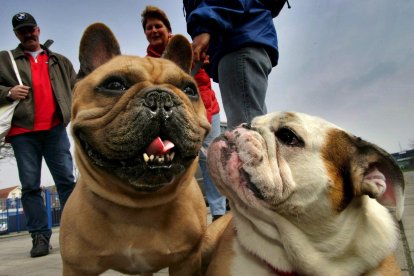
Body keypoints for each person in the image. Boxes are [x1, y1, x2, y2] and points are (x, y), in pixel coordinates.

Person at [0, 12, 76, 257]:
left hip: (55, 130)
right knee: (30, 186)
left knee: (66, 181)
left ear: (39, 29)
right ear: (16, 35)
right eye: (22, 31)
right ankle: (40, 237)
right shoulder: (5, 59)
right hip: (23, 133)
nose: (28, 33)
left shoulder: (59, 60)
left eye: (31, 29)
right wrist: (8, 92)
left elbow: (78, 87)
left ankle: (76, 232)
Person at [141, 6, 226, 221]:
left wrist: (203, 63)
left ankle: (219, 210)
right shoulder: (147, 63)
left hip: (205, 109)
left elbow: (204, 81)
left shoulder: (190, 49)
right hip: (173, 118)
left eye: (158, 26)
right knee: (177, 162)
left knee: (210, 158)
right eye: (149, 27)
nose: (154, 30)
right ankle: (182, 214)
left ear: (168, 29)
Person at [183, 0, 282, 129]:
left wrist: (205, 26)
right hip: (247, 39)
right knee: (254, 125)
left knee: (244, 132)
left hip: (238, 42)